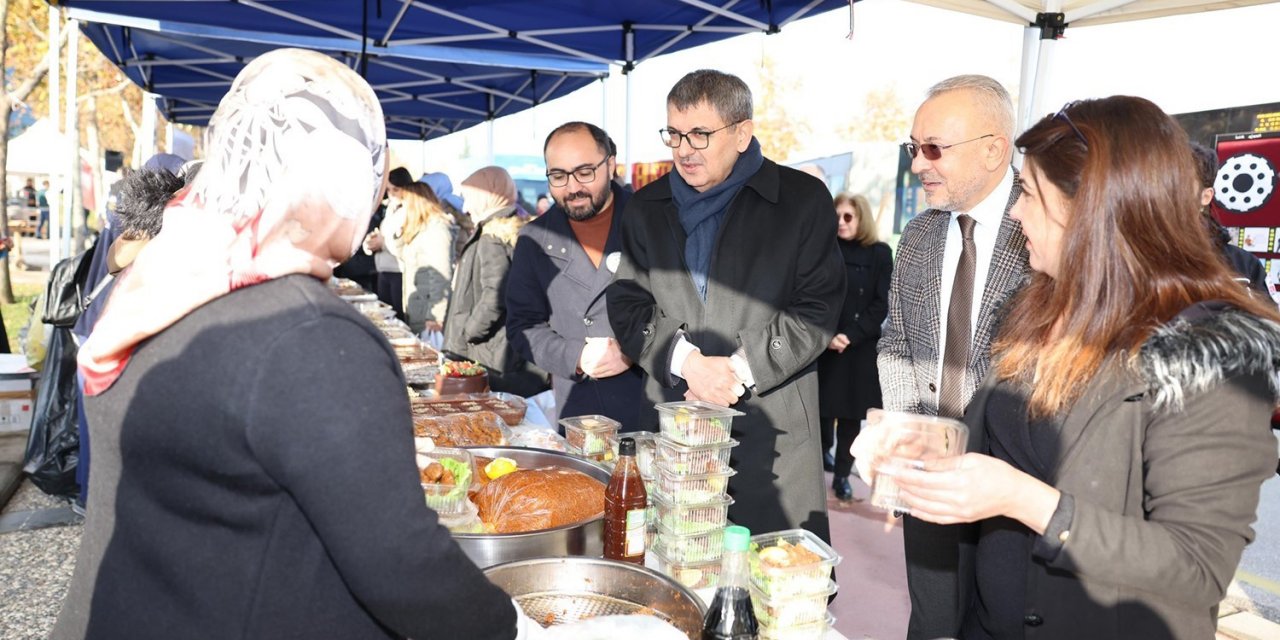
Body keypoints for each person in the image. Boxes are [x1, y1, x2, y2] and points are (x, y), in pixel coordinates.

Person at [57, 48, 528, 639]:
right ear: (343, 178)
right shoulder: (307, 334)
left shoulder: (170, 272)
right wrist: (512, 628)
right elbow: (399, 562)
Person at [868, 95, 1280, 640]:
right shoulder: (1038, 308)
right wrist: (913, 445)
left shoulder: (1209, 352)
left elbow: (1195, 565)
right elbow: (989, 434)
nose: (1015, 212)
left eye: (1032, 196)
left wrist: (1025, 501)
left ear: (1094, 212)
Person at [606, 69, 845, 542]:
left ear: (742, 133)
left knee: (771, 579)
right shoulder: (645, 207)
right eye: (674, 134)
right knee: (672, 572)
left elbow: (817, 306)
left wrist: (736, 370)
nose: (683, 149)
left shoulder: (800, 200)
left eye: (699, 134)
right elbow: (628, 303)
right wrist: (689, 363)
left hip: (770, 423)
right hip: (675, 422)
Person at [876, 74, 1030, 639]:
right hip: (928, 473)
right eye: (913, 148)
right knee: (934, 623)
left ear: (994, 149)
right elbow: (897, 341)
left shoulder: (1048, 227)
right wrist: (903, 438)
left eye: (934, 148)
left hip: (1015, 486)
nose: (919, 165)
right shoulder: (917, 236)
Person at [506, 122, 647, 427]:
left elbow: (682, 308)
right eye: (558, 176)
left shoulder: (652, 221)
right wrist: (576, 356)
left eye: (585, 172)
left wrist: (635, 347)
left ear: (610, 165)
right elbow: (522, 326)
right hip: (582, 414)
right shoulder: (535, 239)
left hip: (652, 408)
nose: (572, 188)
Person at [443, 166, 547, 396]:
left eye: (470, 198)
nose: (466, 207)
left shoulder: (492, 235)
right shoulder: (513, 228)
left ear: (488, 196)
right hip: (502, 352)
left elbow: (495, 294)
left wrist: (468, 332)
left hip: (489, 354)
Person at [817, 192, 891, 501]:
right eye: (837, 216)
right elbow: (815, 296)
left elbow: (881, 302)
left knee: (850, 418)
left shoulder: (879, 253)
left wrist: (850, 335)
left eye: (848, 216)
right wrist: (829, 333)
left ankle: (843, 477)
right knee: (821, 412)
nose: (841, 222)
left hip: (858, 349)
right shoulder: (823, 250)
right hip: (825, 345)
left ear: (861, 219)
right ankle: (822, 458)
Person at [1190, 142, 1270, 297]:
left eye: (1181, 183)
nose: (1167, 192)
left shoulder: (1244, 266)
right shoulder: (1135, 258)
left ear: (1205, 196)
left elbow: (1267, 318)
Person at [397, 181, 456, 334]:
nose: (400, 210)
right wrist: (398, 234)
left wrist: (436, 315)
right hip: (417, 308)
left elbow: (441, 275)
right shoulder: (418, 229)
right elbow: (403, 256)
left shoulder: (435, 230)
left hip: (428, 314)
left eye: (403, 205)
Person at [363, 167, 413, 317]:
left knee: (398, 316)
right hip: (383, 269)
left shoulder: (411, 210)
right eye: (388, 190)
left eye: (395, 189)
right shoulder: (390, 209)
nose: (391, 194)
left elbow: (406, 242)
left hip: (399, 272)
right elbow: (383, 235)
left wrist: (382, 243)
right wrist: (370, 243)